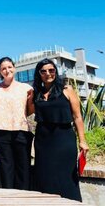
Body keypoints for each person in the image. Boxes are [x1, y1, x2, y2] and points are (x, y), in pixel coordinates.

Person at [31, 58, 88, 201]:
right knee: (44, 176)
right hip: (42, 141)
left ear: (55, 72)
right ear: (39, 74)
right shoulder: (36, 94)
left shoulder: (67, 89)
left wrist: (83, 141)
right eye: (43, 71)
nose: (48, 74)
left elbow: (77, 117)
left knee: (66, 176)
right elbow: (27, 111)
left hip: (64, 139)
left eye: (51, 70)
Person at [0, 57, 33, 190]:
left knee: (23, 168)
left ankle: (24, 199)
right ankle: (9, 199)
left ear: (14, 67)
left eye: (9, 67)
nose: (7, 70)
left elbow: (30, 109)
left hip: (22, 131)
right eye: (3, 68)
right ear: (0, 71)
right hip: (1, 133)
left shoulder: (26, 88)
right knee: (6, 168)